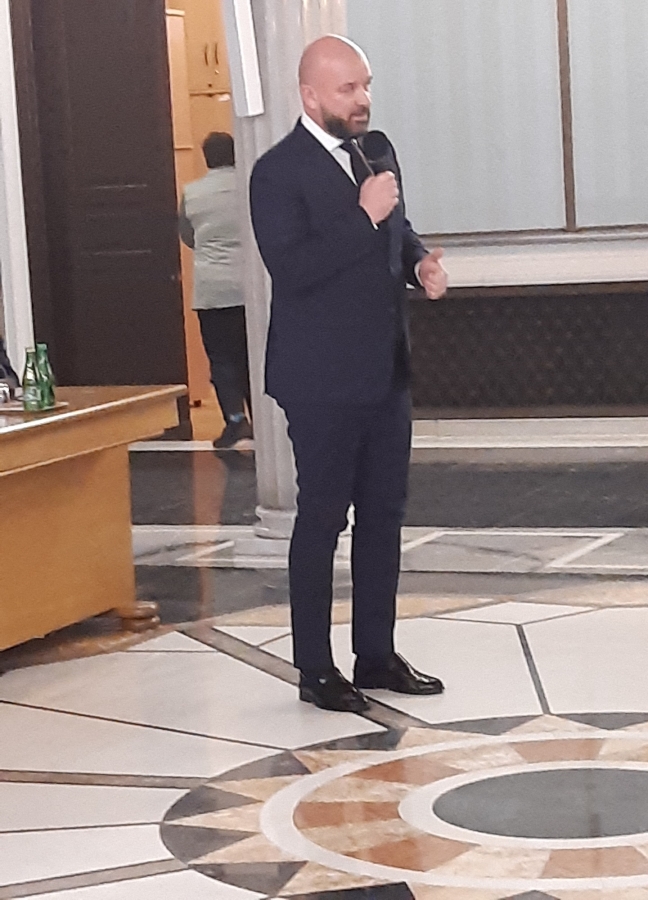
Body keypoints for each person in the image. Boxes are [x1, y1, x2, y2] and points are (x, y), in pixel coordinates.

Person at [250, 35, 448, 713]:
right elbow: (293, 269)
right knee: (322, 518)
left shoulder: (377, 150)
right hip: (320, 379)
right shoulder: (277, 172)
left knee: (384, 516)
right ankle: (315, 668)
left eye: (366, 85)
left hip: (384, 369)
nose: (362, 99)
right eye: (347, 89)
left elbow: (398, 231)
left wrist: (418, 263)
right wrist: (363, 215)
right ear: (310, 96)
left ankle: (375, 654)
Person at [179, 132, 252, 450]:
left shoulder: (192, 193)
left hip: (213, 291)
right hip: (251, 288)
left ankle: (235, 421)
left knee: (222, 359)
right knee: (254, 356)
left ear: (206, 157)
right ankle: (264, 421)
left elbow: (188, 236)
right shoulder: (250, 186)